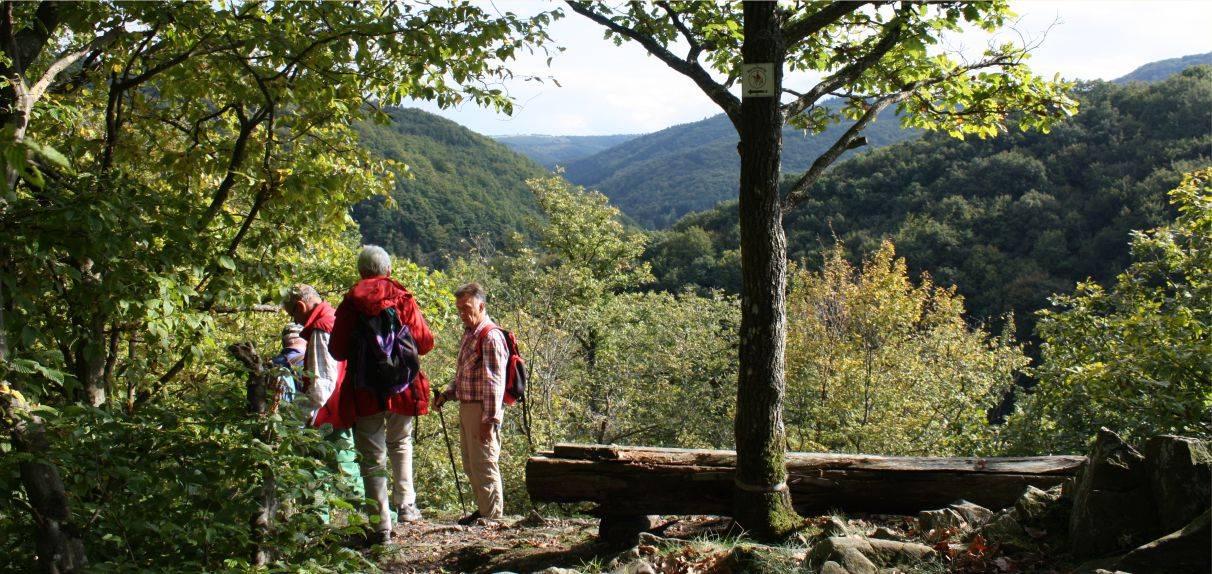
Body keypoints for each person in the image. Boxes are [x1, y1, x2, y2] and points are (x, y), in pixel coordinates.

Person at [326, 245, 434, 545]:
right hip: (402, 387)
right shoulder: (402, 298)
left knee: (372, 457)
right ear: (388, 270)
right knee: (401, 443)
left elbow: (337, 350)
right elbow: (425, 342)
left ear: (361, 272)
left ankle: (381, 525)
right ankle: (407, 506)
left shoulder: (351, 303)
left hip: (365, 391)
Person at [434, 282, 507, 525]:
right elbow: (464, 374)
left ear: (481, 306)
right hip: (467, 406)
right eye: (459, 309)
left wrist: (489, 419)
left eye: (467, 308)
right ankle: (484, 510)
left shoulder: (490, 337)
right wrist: (447, 394)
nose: (463, 314)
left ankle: (492, 517)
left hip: (482, 409)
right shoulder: (470, 333)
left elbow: (494, 383)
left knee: (484, 462)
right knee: (471, 463)